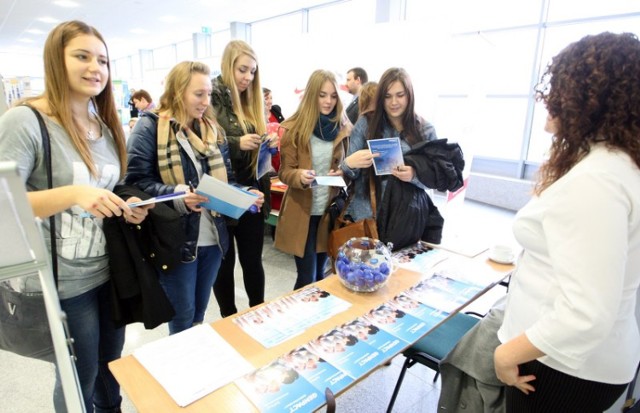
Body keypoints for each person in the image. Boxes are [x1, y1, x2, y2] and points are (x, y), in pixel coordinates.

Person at [0, 20, 152, 412]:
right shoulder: (27, 121)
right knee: (77, 378)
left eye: (102, 59)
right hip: (62, 280)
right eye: (82, 56)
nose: (95, 67)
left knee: (108, 366)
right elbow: (5, 202)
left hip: (108, 269)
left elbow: (107, 185)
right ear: (56, 59)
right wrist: (74, 194)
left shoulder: (101, 123)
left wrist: (126, 208)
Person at [494, 32, 640, 413]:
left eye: (559, 99)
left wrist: (507, 354)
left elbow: (586, 313)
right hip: (587, 361)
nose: (547, 120)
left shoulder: (597, 180)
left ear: (589, 102)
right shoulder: (622, 163)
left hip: (560, 365)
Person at [125, 60, 264, 334]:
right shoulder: (150, 127)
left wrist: (244, 193)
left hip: (213, 236)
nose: (205, 101)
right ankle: (181, 368)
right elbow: (135, 183)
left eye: (209, 94)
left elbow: (224, 179)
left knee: (199, 311)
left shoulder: (212, 129)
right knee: (182, 314)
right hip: (176, 239)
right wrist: (176, 194)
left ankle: (192, 362)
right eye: (198, 94)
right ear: (178, 92)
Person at [339, 67, 446, 249]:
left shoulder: (425, 130)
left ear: (409, 95)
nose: (394, 102)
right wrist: (349, 163)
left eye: (400, 95)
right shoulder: (367, 123)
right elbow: (347, 172)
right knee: (361, 275)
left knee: (399, 276)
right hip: (366, 218)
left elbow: (436, 180)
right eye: (388, 96)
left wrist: (414, 175)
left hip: (406, 222)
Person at [211, 40, 275, 317]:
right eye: (242, 70)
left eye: (252, 72)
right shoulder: (211, 97)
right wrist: (237, 143)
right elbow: (204, 146)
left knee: (252, 260)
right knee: (224, 263)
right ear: (228, 65)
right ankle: (229, 318)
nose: (247, 77)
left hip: (253, 190)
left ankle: (257, 314)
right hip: (223, 191)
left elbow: (256, 146)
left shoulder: (253, 99)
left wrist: (266, 142)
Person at [274, 70, 351, 289]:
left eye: (333, 96)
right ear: (311, 96)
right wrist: (298, 175)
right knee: (306, 277)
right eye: (322, 95)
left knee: (321, 274)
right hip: (302, 214)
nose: (328, 101)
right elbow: (284, 171)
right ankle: (300, 320)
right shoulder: (295, 129)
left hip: (329, 212)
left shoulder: (344, 127)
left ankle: (317, 320)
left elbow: (347, 166)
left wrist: (343, 172)